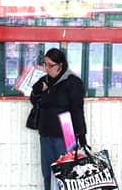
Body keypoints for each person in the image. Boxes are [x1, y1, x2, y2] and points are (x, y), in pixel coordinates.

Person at [30, 47, 87, 190]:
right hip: (46, 132)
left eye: (50, 65)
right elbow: (34, 100)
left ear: (60, 65)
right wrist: (36, 90)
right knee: (48, 173)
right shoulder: (45, 81)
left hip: (66, 132)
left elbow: (77, 110)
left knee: (65, 172)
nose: (47, 69)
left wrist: (81, 135)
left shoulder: (72, 82)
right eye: (45, 64)